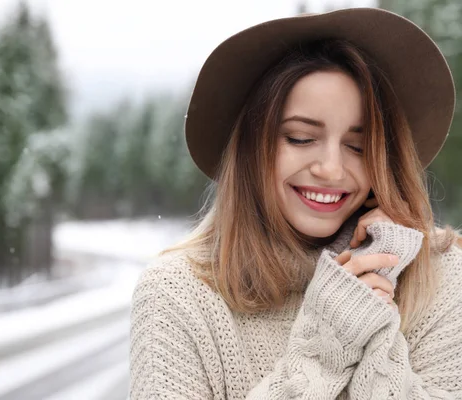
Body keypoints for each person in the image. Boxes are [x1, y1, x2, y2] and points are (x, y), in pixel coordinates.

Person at [129, 7, 462, 400]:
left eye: (358, 146)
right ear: (251, 149)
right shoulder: (178, 294)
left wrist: (378, 328)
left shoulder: (440, 278)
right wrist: (323, 350)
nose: (331, 169)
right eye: (301, 138)